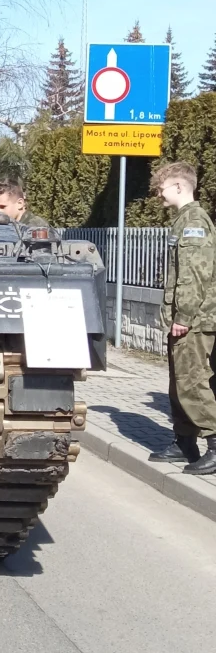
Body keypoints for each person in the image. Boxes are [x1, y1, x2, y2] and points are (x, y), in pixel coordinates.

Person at [149, 162, 216, 475]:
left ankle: (214, 444)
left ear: (179, 187)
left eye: (162, 187)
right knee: (179, 384)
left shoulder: (193, 222)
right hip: (184, 317)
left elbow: (193, 274)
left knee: (192, 382)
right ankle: (184, 442)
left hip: (195, 320)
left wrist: (184, 316)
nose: (158, 193)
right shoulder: (183, 220)